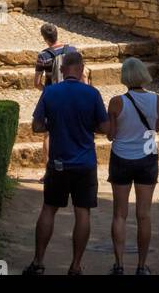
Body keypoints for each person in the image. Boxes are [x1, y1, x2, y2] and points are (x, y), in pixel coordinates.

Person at [22, 51, 109, 275]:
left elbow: (36, 127)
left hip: (58, 162)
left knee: (48, 209)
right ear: (81, 69)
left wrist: (54, 125)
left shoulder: (50, 92)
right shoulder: (92, 94)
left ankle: (38, 261)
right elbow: (104, 128)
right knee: (83, 213)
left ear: (61, 70)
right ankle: (76, 265)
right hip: (85, 163)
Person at [106, 57, 159, 275]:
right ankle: (141, 265)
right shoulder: (156, 99)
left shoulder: (116, 101)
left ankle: (119, 264)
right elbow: (157, 127)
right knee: (144, 214)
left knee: (120, 214)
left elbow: (111, 135)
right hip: (147, 157)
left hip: (121, 157)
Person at [34, 24, 79, 174]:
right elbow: (83, 74)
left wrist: (47, 90)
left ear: (45, 38)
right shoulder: (72, 51)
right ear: (57, 34)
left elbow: (36, 83)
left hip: (53, 97)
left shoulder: (43, 56)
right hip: (73, 94)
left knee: (48, 134)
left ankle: (49, 170)